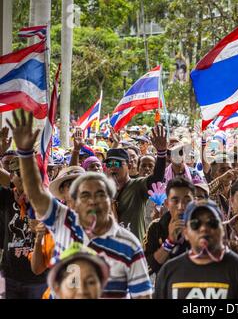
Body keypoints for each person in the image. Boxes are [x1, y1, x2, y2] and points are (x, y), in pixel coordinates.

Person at [7, 109, 152, 299]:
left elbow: (143, 296)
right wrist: (25, 154)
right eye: (85, 195)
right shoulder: (64, 223)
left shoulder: (129, 244)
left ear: (110, 200)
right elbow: (36, 195)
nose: (92, 200)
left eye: (100, 194)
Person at [154, 200, 238, 299]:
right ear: (185, 232)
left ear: (222, 229)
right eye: (195, 224)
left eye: (212, 222)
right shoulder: (169, 271)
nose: (203, 228)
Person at [104, 126, 166, 241]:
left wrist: (161, 154)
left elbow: (156, 179)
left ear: (129, 165)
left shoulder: (137, 186)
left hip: (134, 252)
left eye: (117, 164)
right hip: (112, 251)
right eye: (109, 164)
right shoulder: (104, 191)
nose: (112, 167)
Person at [0, 156, 48, 298]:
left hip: (38, 279)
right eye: (20, 173)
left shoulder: (48, 201)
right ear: (13, 177)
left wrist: (44, 230)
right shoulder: (7, 197)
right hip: (10, 277)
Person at [143, 177, 195, 275]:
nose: (181, 207)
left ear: (195, 202)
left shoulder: (203, 227)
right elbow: (147, 267)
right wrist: (169, 241)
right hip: (165, 288)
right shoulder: (156, 227)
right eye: (175, 201)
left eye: (187, 201)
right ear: (167, 203)